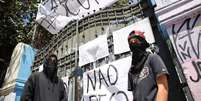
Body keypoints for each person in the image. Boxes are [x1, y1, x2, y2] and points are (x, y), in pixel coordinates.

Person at [127, 30, 169, 101]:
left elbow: (163, 88)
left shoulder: (152, 58)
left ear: (143, 42)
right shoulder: (132, 71)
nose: (133, 44)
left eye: (135, 41)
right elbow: (135, 95)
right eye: (130, 43)